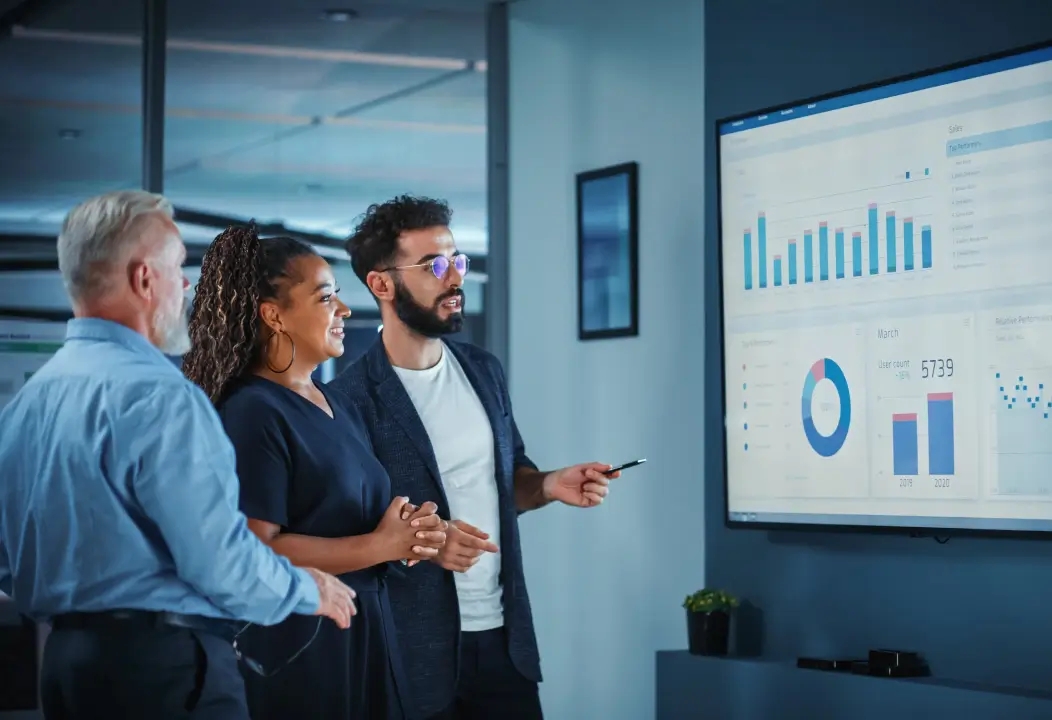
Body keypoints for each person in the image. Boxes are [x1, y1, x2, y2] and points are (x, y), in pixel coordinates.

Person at [0, 191, 356, 720]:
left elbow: (8, 562)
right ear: (144, 279)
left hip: (66, 667)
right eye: (177, 269)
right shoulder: (160, 396)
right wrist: (307, 590)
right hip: (163, 670)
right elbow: (219, 560)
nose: (186, 286)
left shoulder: (27, 403)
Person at [327, 195, 621, 720]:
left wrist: (548, 484)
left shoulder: (484, 370)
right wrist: (427, 544)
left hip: (504, 641)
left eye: (457, 261)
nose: (455, 278)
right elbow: (350, 531)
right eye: (434, 266)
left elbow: (509, 479)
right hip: (411, 653)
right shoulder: (348, 400)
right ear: (381, 285)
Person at [181, 226, 448, 720]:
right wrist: (379, 545)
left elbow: (347, 519)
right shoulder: (252, 412)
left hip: (364, 631)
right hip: (302, 648)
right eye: (326, 298)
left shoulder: (336, 403)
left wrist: (411, 536)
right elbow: (255, 550)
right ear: (273, 315)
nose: (344, 310)